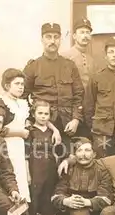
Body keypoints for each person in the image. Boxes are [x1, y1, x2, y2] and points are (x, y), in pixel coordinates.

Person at [0, 68, 61, 204]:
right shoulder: (1, 103)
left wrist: (55, 129)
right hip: (6, 147)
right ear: (7, 85)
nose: (21, 87)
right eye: (17, 84)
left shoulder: (22, 103)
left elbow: (36, 119)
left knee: (22, 183)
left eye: (22, 84)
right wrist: (20, 133)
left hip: (21, 148)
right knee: (10, 181)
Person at [22, 22, 85, 159]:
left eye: (56, 37)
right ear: (42, 39)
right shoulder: (33, 66)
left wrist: (75, 119)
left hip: (66, 125)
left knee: (67, 162)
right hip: (42, 125)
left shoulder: (69, 66)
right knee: (44, 164)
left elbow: (79, 95)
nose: (52, 41)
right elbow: (22, 96)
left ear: (60, 39)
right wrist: (32, 117)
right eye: (48, 37)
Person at [26, 100, 60, 215]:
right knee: (34, 202)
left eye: (46, 114)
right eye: (40, 113)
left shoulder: (53, 132)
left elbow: (58, 151)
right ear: (34, 114)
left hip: (50, 170)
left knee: (48, 203)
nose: (43, 116)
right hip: (35, 169)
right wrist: (28, 173)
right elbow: (26, 155)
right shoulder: (30, 131)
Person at [61, 18, 95, 137]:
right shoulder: (65, 57)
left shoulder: (91, 59)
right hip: (70, 109)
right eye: (82, 32)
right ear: (74, 36)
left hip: (87, 109)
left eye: (87, 32)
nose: (85, 36)